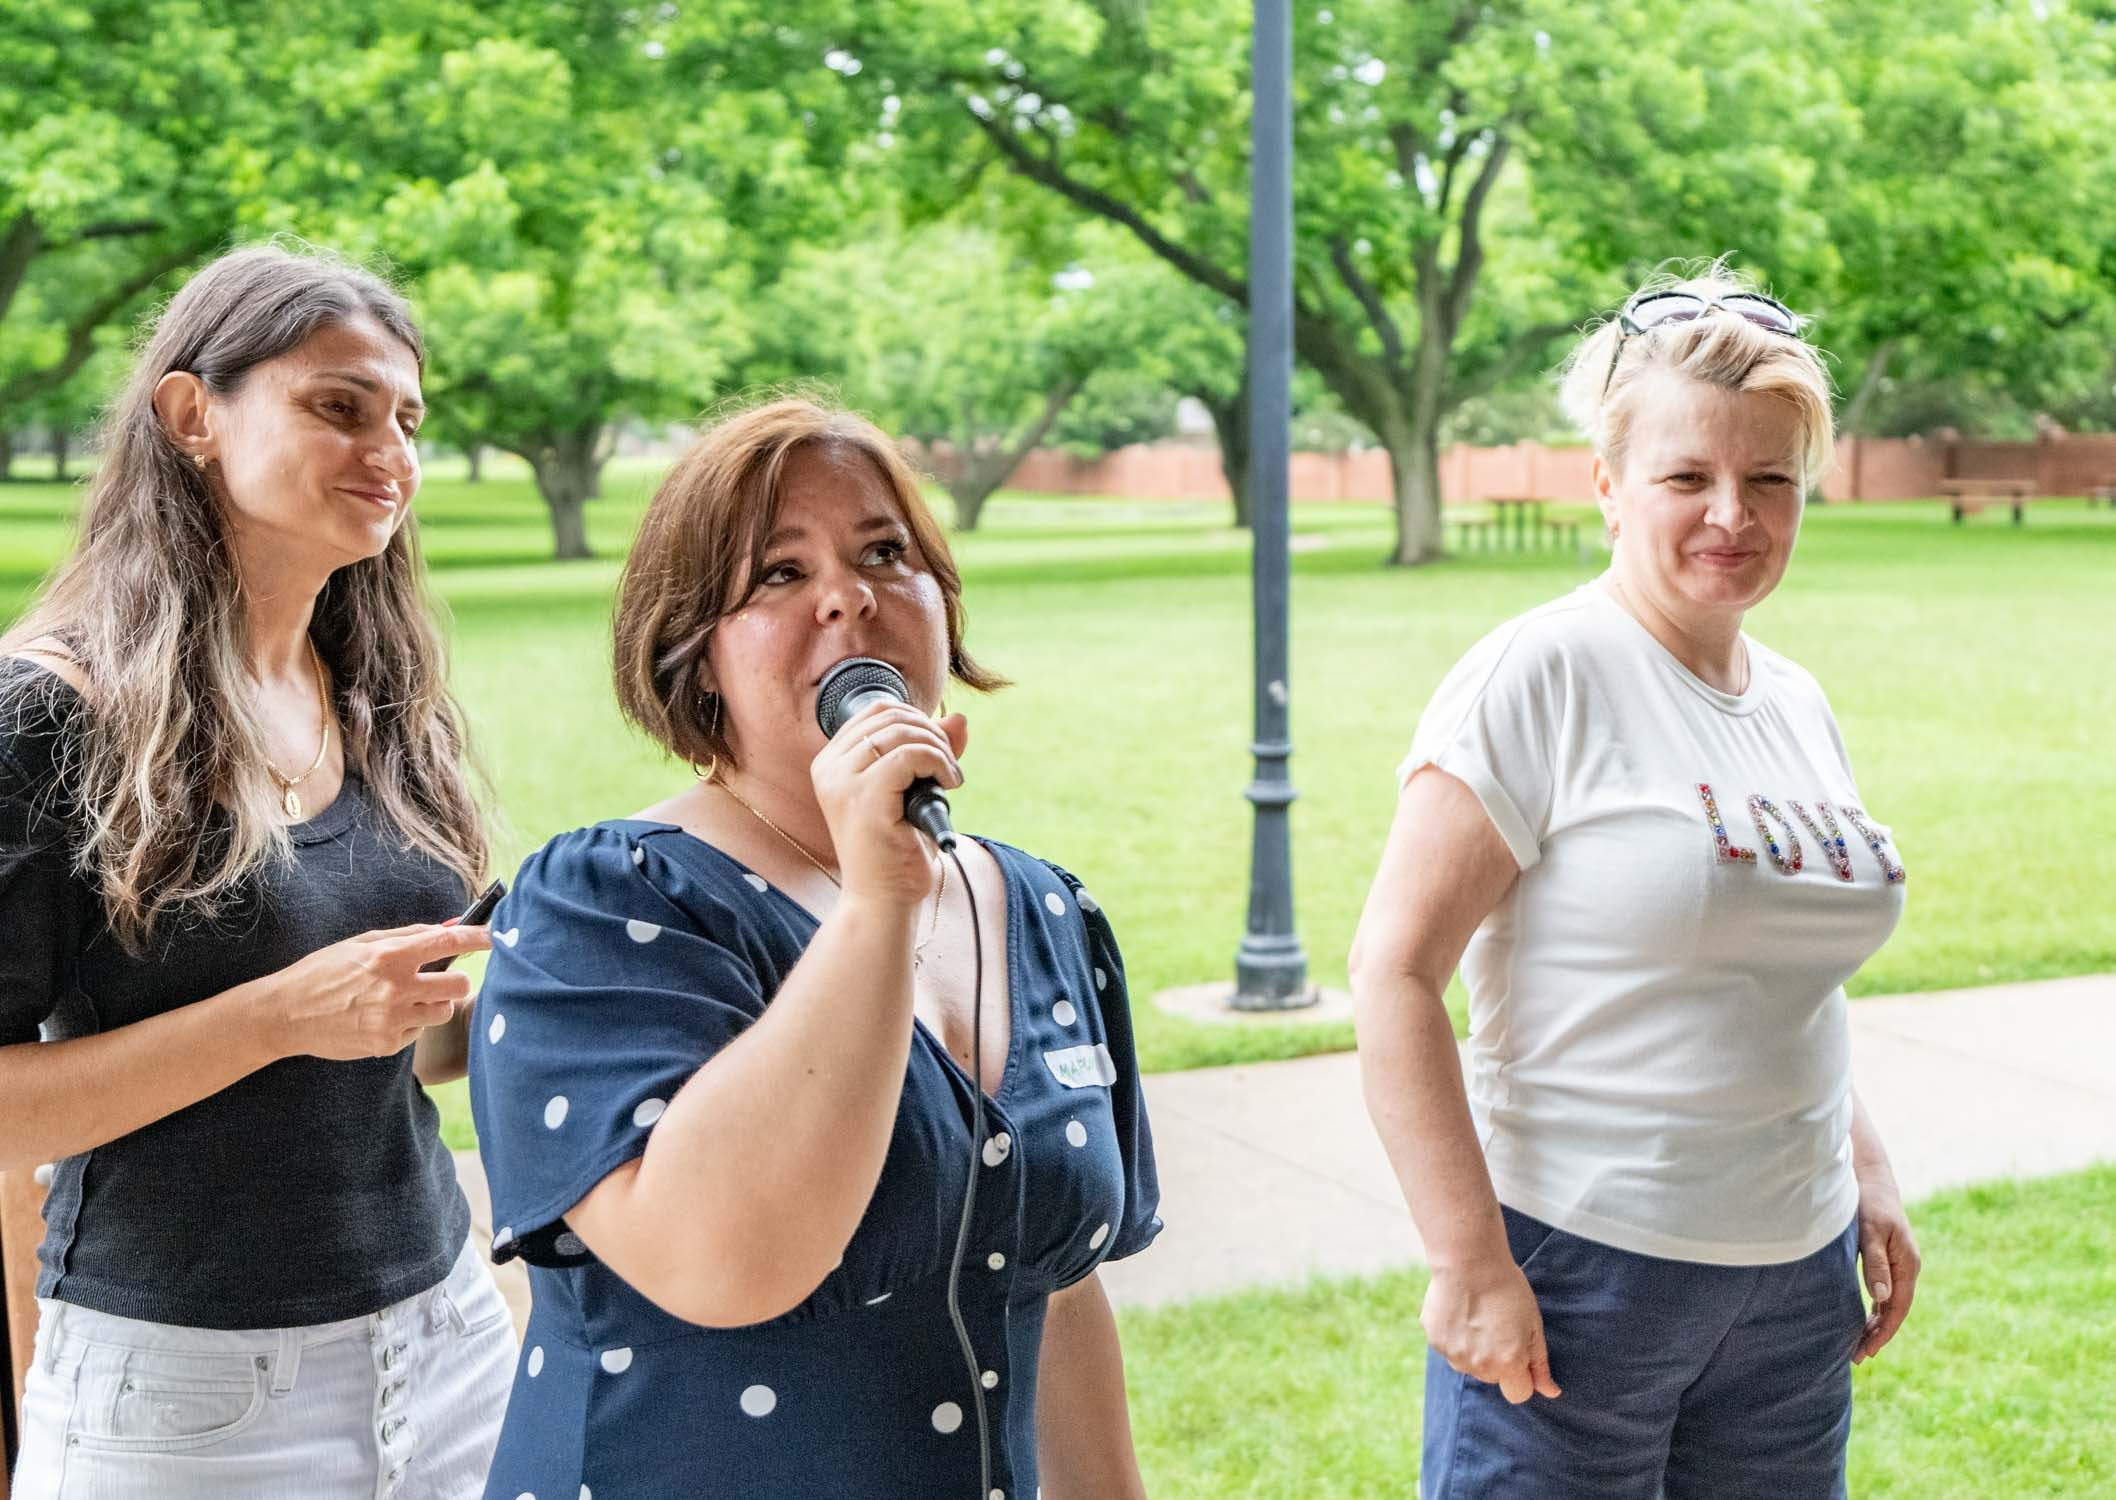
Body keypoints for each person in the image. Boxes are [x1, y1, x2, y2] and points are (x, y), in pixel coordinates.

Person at [467, 396, 1161, 1500]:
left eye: (886, 552)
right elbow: (720, 1262)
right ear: (696, 658)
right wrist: (877, 905)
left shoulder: (1042, 911)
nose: (851, 594)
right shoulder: (604, 904)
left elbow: (1060, 1292)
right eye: (779, 575)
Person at [1349, 264, 1921, 1499]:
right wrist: (1468, 1258)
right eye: (1687, 478)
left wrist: (1863, 1169)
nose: (1734, 513)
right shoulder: (1539, 673)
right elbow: (1392, 974)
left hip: (1793, 1278)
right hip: (1580, 1271)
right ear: (1607, 486)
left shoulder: (1794, 701)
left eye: (1771, 478)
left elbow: (1774, 977)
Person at [1, 245, 513, 1499]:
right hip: (184, 1393)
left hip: (449, 1338)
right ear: (191, 415)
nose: (389, 449)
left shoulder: (382, 694)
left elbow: (407, 1052)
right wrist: (283, 1017)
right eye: (337, 405)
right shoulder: (46, 716)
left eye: (406, 417)